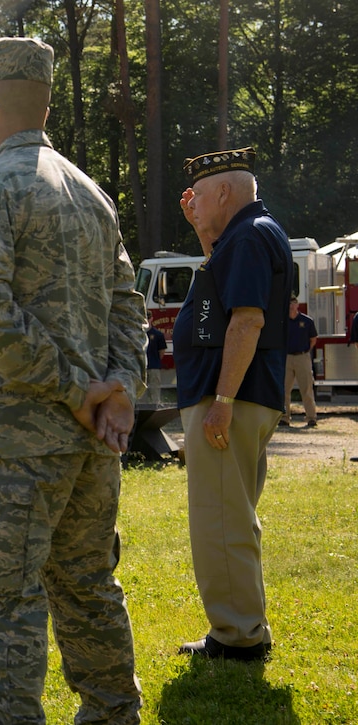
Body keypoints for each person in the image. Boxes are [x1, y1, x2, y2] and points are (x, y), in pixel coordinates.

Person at [0, 38, 145, 723]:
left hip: (18, 447)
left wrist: (79, 388)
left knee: (1, 602)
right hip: (93, 443)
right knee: (88, 586)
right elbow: (130, 306)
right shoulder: (93, 195)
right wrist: (116, 386)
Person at [173, 146, 292, 662]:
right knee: (232, 514)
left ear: (224, 192)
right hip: (241, 396)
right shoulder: (248, 233)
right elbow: (220, 296)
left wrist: (221, 399)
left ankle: (238, 636)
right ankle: (244, 628)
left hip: (231, 398)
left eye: (199, 196)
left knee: (219, 519)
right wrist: (201, 229)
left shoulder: (247, 236)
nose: (193, 204)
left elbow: (247, 321)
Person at [280, 296, 318, 428]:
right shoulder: (282, 321)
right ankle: (285, 417)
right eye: (289, 303)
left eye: (294, 303)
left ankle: (311, 417)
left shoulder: (307, 321)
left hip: (302, 356)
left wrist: (306, 351)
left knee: (306, 388)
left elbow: (313, 339)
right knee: (284, 389)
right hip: (286, 358)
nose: (291, 306)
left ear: (298, 305)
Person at [145, 323, 167, 406]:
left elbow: (162, 351)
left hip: (153, 366)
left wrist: (155, 361)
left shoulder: (158, 334)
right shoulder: (139, 333)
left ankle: (154, 407)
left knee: (154, 389)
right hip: (140, 368)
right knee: (141, 392)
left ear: (151, 319)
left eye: (148, 317)